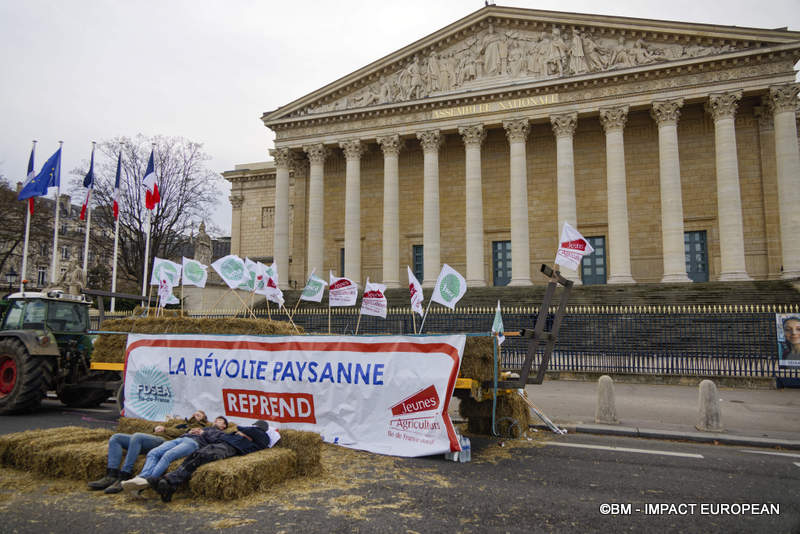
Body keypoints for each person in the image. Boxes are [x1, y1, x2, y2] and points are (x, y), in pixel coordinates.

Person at [154, 420, 280, 503]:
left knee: (201, 456)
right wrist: (240, 433)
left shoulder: (261, 435)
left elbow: (240, 428)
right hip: (224, 444)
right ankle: (171, 485)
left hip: (229, 447)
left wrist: (241, 431)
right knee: (196, 456)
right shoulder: (255, 436)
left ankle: (169, 480)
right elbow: (234, 432)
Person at [88, 411, 209, 494]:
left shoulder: (197, 428)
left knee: (137, 437)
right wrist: (156, 428)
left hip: (163, 441)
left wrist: (166, 429)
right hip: (151, 438)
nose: (195, 415)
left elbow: (180, 435)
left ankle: (124, 475)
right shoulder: (179, 422)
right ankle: (111, 475)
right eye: (194, 413)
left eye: (198, 414)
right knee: (116, 438)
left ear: (203, 419)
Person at [120, 415, 230, 494]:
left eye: (220, 420)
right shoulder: (204, 427)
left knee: (168, 455)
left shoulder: (221, 433)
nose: (216, 420)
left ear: (224, 426)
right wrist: (189, 432)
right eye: (216, 419)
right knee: (153, 453)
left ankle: (149, 480)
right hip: (181, 439)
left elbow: (217, 444)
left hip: (193, 443)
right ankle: (142, 477)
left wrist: (203, 433)